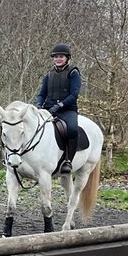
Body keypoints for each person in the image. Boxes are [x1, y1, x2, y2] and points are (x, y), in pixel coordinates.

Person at [34, 42, 81, 174]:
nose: (58, 59)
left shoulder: (73, 73)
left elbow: (74, 94)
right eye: (56, 57)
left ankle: (68, 161)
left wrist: (60, 105)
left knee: (72, 129)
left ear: (67, 58)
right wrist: (38, 104)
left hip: (67, 109)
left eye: (61, 56)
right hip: (49, 108)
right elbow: (42, 93)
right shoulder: (49, 74)